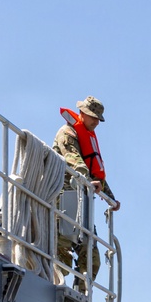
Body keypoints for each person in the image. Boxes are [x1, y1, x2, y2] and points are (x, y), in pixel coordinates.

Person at [52, 97, 120, 285]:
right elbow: (74, 161)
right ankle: (55, 287)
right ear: (82, 113)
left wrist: (111, 199)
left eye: (98, 119)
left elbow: (95, 173)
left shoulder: (87, 137)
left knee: (92, 258)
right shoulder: (67, 133)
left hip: (82, 201)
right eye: (93, 117)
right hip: (63, 197)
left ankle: (81, 293)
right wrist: (90, 181)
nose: (96, 122)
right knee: (62, 252)